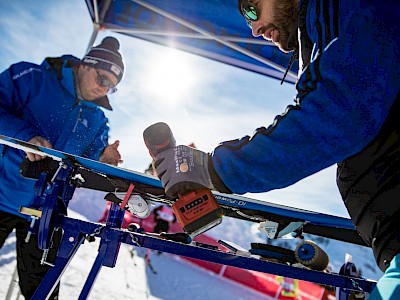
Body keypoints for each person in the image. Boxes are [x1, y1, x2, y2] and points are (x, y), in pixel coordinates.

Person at [153, 1, 400, 299]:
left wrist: (216, 170)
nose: (255, 29)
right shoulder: (331, 31)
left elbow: (340, 114)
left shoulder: (347, 7)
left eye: (251, 9)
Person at [0, 36, 125, 299]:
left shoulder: (98, 119)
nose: (104, 89)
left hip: (45, 212)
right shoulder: (34, 78)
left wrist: (103, 158)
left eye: (112, 87)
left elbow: (88, 159)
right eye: (103, 79)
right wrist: (25, 135)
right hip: (2, 193)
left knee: (42, 292)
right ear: (84, 66)